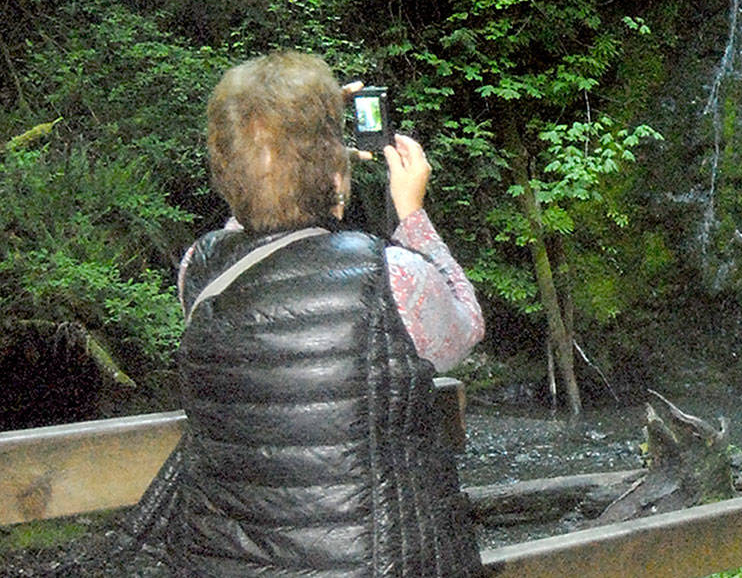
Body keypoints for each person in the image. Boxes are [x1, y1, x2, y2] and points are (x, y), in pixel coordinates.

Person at [120, 52, 484, 577]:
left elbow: (254, 225)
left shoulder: (198, 271)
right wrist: (412, 215)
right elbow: (465, 326)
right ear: (337, 175)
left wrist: (272, 140)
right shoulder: (392, 277)